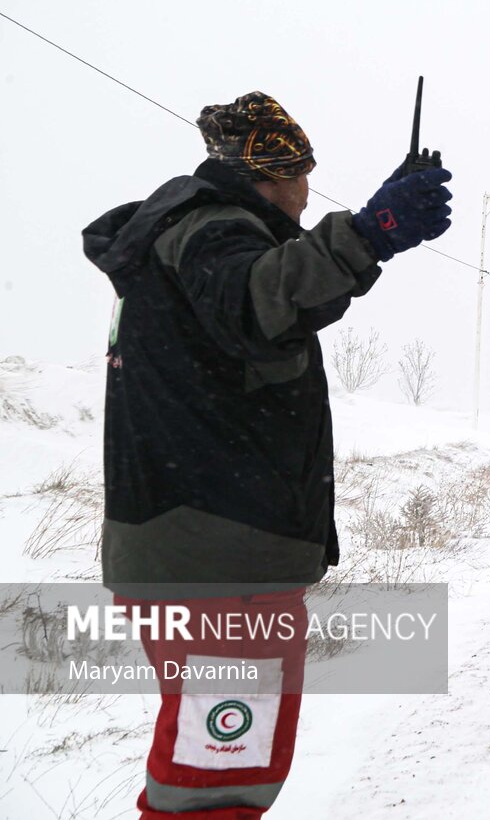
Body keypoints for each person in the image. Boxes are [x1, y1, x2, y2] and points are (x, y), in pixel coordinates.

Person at [83, 91, 452, 818]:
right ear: (274, 175)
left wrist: (363, 235)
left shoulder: (190, 235)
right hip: (221, 562)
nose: (309, 191)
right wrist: (370, 231)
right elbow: (265, 296)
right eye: (303, 174)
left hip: (202, 550)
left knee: (213, 766)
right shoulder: (211, 232)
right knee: (216, 786)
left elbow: (276, 286)